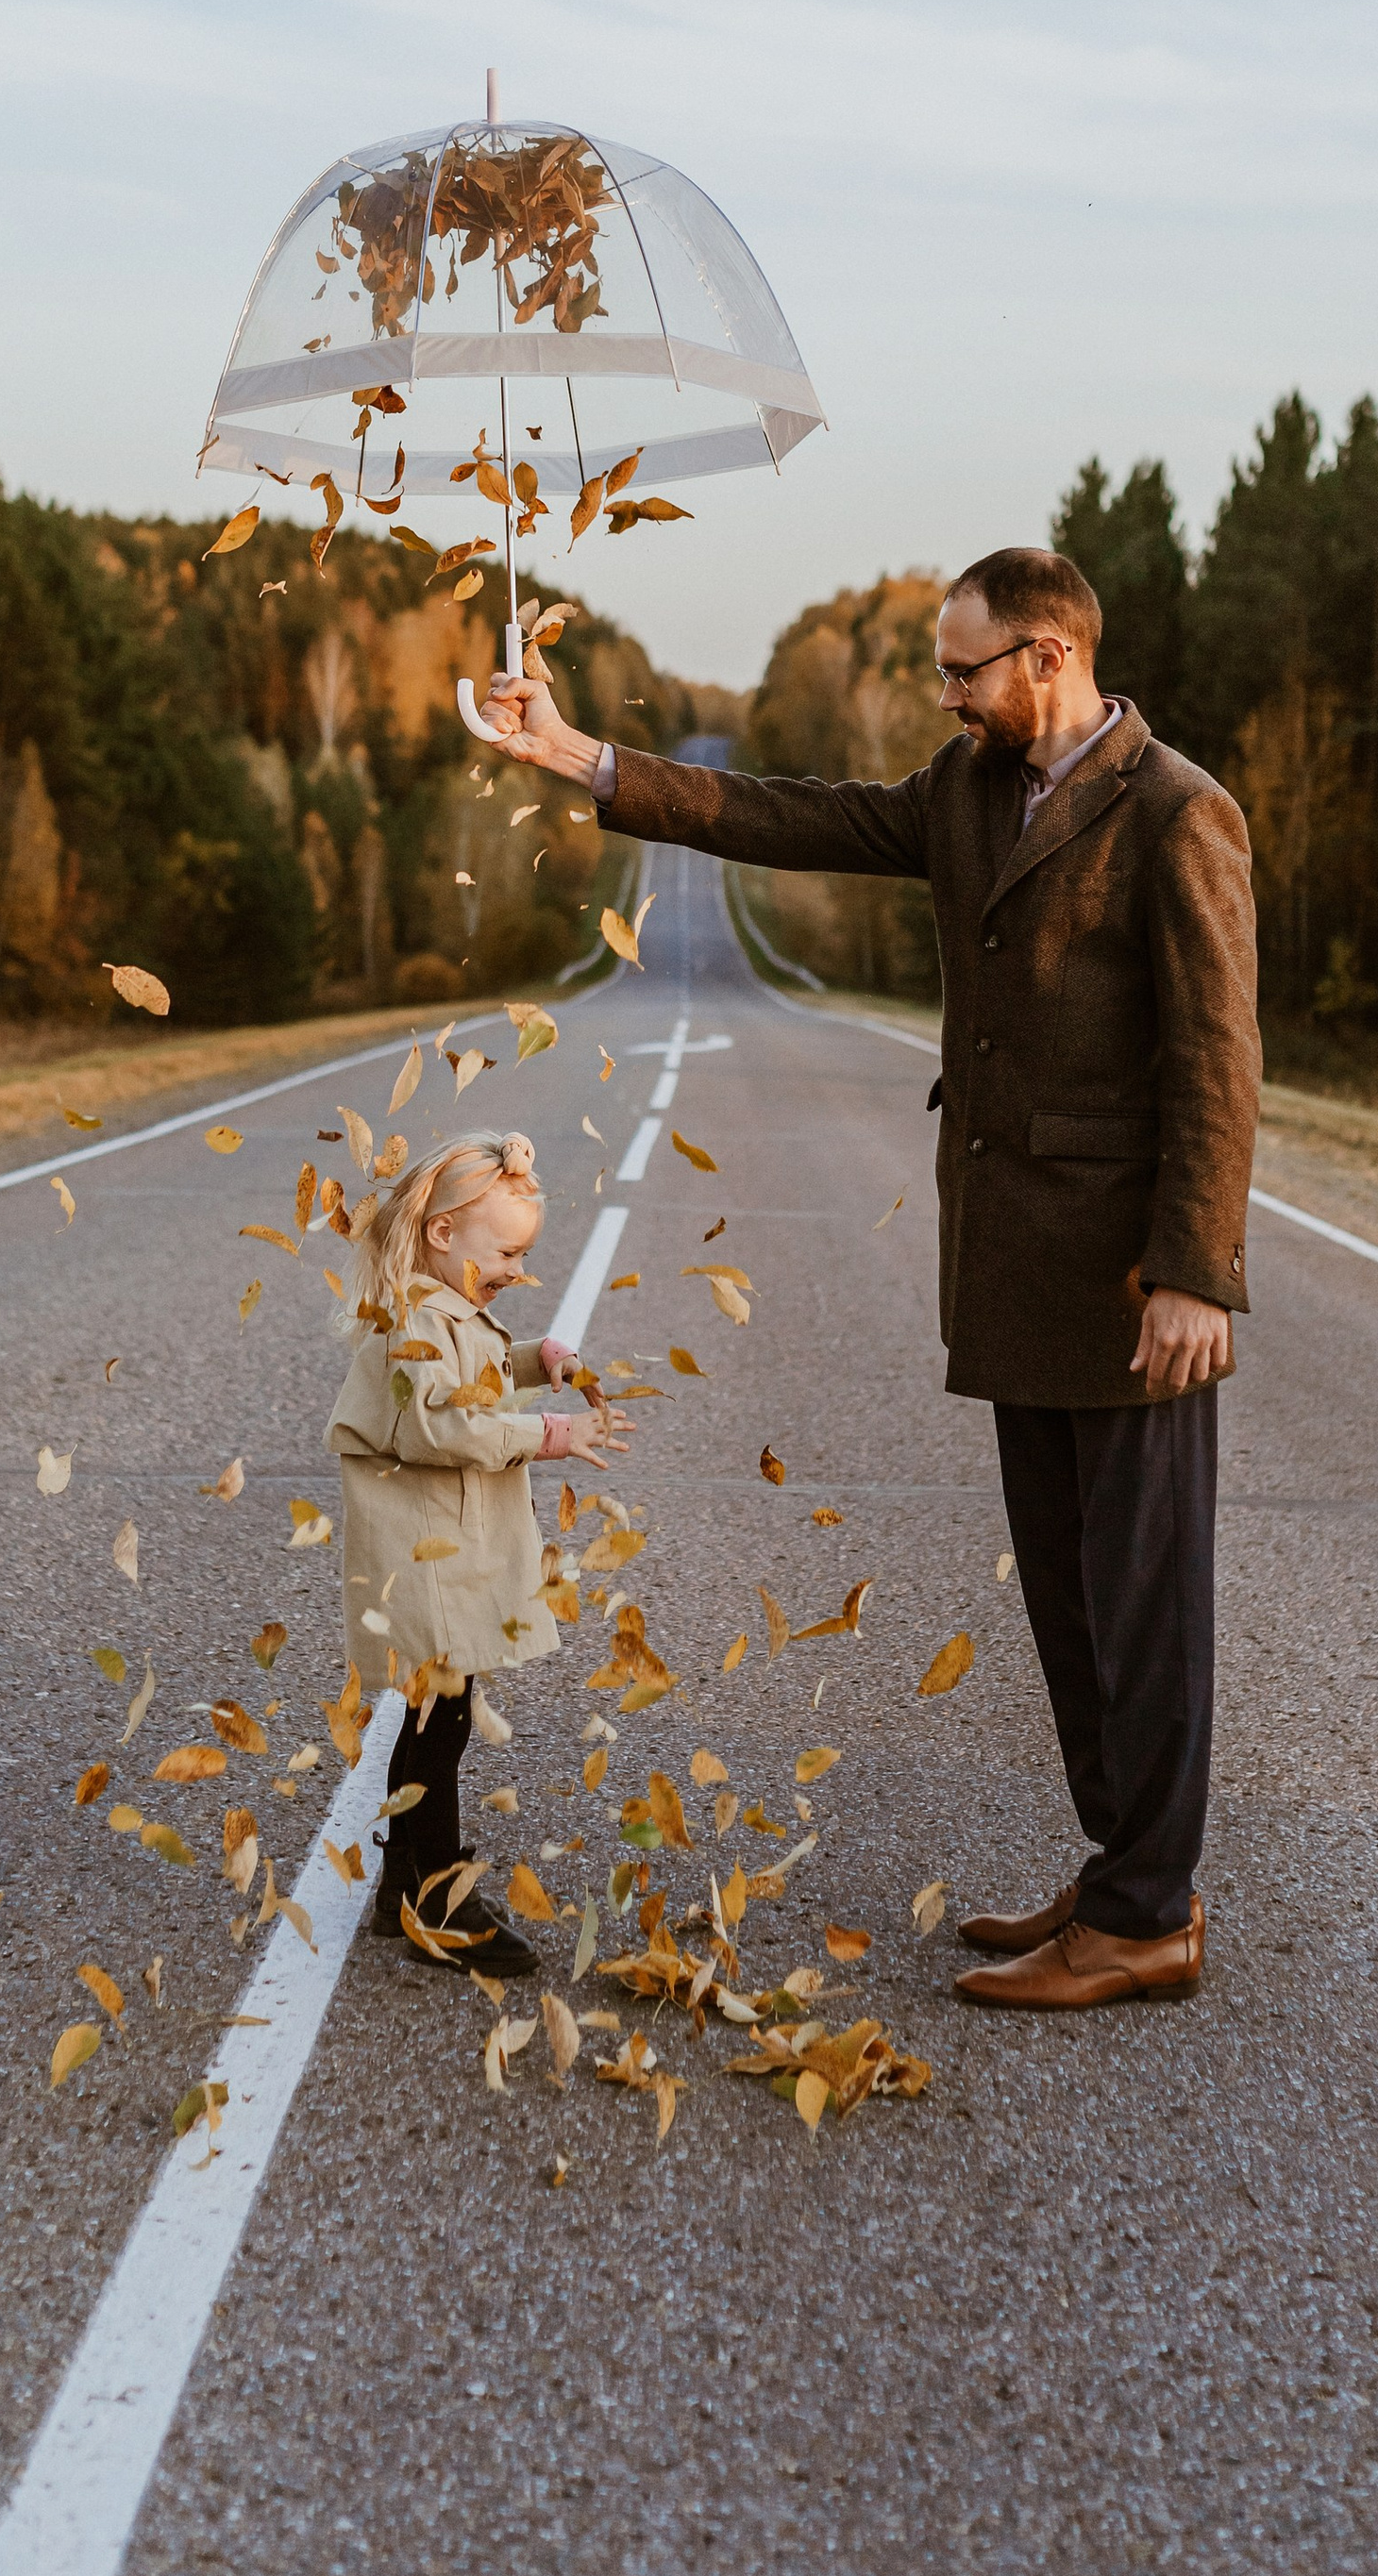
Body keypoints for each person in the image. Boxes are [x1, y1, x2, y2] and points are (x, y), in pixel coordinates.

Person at [486, 544, 1259, 2014]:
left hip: (1128, 1285)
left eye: (965, 670)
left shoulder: (1177, 813)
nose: (946, 696)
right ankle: (1120, 1873)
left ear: (1047, 657)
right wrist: (579, 753)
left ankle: (1151, 1915)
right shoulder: (968, 796)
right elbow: (790, 816)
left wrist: (1195, 1273)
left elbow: (1221, 1055)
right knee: (1071, 1599)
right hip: (1012, 1265)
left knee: (1147, 1602)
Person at [327, 1130, 631, 1975]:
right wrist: (553, 1434)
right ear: (441, 1235)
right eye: (504, 1252)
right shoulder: (412, 1322)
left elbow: (482, 1374)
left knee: (436, 1719)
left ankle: (402, 1887)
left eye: (523, 1255)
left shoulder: (446, 1309)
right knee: (439, 1721)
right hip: (422, 1557)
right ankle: (438, 1903)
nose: (514, 1269)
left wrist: (545, 1359)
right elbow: (441, 1422)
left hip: (445, 1546)